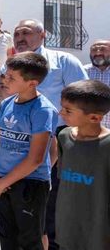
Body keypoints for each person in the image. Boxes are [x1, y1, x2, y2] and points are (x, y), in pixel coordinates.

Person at [12, 19, 88, 249]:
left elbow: (84, 98)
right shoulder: (13, 65)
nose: (20, 37)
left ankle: (53, 243)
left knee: (53, 196)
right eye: (16, 33)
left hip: (57, 138)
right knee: (24, 195)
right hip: (18, 140)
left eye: (26, 32)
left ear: (43, 34)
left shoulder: (63, 61)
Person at [0, 52, 59, 250]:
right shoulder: (6, 104)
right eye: (5, 75)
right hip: (3, 183)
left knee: (30, 241)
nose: (5, 80)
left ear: (32, 83)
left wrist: (3, 182)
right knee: (7, 237)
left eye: (12, 77)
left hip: (30, 185)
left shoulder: (43, 110)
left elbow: (36, 159)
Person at [55, 80, 110, 250]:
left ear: (94, 117)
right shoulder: (64, 136)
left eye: (68, 110)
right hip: (67, 228)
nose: (60, 113)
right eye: (62, 107)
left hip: (99, 233)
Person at [84, 39, 110, 128]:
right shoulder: (82, 71)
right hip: (88, 130)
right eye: (94, 50)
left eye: (103, 49)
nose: (97, 53)